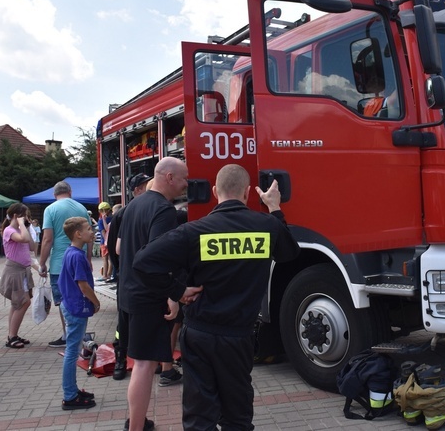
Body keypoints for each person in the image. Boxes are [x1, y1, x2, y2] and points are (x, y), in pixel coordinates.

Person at [134, 164, 301, 430]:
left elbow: (142, 262)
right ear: (247, 192)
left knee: (200, 417)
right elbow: (289, 253)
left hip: (200, 334)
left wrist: (177, 291)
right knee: (237, 415)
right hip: (239, 337)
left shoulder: (194, 231)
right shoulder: (266, 225)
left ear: (214, 191)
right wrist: (275, 209)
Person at [118, 159, 187, 431]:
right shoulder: (163, 210)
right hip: (147, 297)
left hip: (129, 294)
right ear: (169, 177)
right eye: (183, 179)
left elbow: (123, 250)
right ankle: (136, 426)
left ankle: (137, 420)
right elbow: (161, 259)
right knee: (145, 367)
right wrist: (173, 294)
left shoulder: (133, 205)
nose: (186, 184)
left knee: (139, 365)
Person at [38, 181, 93, 348]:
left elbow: (47, 239)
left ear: (54, 195)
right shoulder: (82, 208)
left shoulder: (51, 209)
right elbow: (90, 236)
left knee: (63, 301)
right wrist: (89, 259)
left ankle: (68, 335)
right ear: (70, 192)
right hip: (79, 258)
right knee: (80, 296)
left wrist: (42, 263)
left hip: (59, 263)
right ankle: (81, 333)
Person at [107, 176, 150, 382]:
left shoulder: (140, 210)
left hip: (132, 279)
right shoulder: (125, 214)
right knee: (123, 326)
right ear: (139, 189)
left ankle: (127, 360)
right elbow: (114, 249)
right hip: (130, 279)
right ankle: (121, 358)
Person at [58, 217, 101, 410]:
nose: (92, 232)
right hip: (76, 308)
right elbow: (83, 285)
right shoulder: (77, 256)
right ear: (78, 233)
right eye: (88, 229)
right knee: (72, 353)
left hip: (70, 305)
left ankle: (73, 390)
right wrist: (96, 301)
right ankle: (69, 395)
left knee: (72, 351)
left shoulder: (70, 252)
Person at [0, 203, 37, 348]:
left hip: (24, 270)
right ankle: (12, 336)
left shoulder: (22, 230)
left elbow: (32, 246)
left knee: (16, 304)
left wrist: (26, 226)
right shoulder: (9, 230)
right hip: (14, 270)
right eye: (25, 215)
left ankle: (12, 334)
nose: (28, 218)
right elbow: (24, 240)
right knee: (23, 302)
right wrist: (21, 224)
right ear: (16, 216)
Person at [97, 202, 112, 280]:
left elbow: (103, 232)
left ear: (100, 211)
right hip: (112, 242)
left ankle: (104, 275)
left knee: (105, 259)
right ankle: (110, 274)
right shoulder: (112, 218)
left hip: (104, 243)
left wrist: (106, 241)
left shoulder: (100, 221)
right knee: (111, 260)